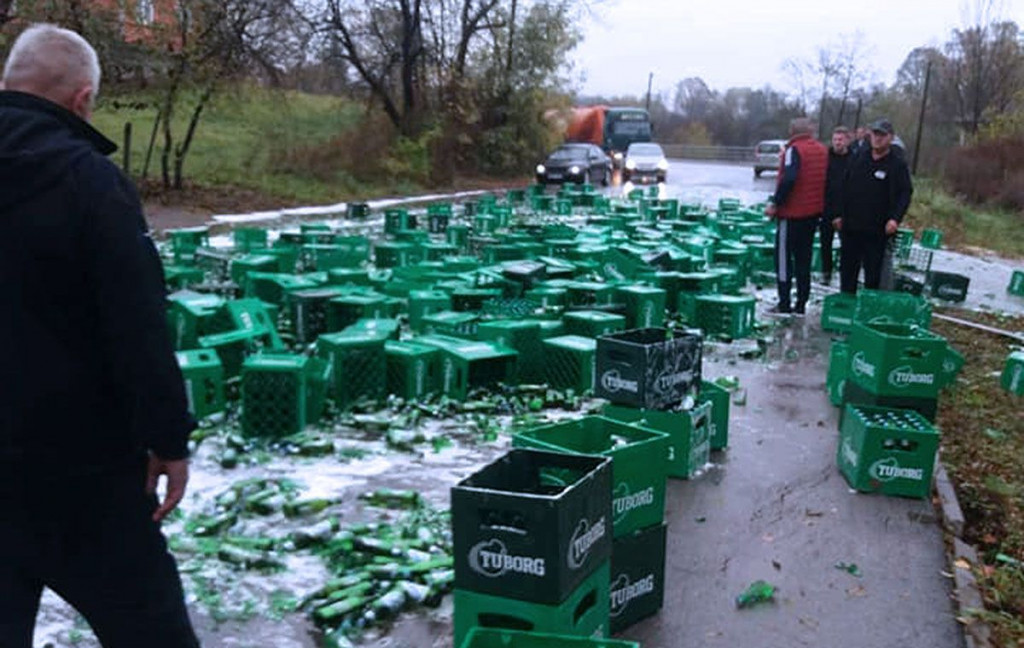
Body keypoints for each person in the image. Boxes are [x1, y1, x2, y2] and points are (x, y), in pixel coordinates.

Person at [0, 24, 200, 647]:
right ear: (83, 99)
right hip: (79, 475)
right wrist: (168, 439)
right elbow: (137, 324)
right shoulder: (90, 184)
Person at [834, 118, 914, 294]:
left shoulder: (897, 164)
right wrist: (839, 214)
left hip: (877, 230)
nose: (877, 138)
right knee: (848, 271)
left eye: (882, 135)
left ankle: (869, 308)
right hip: (851, 227)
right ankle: (847, 305)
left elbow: (905, 193)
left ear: (890, 138)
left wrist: (895, 219)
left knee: (873, 275)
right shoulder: (858, 158)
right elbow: (843, 187)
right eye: (874, 134)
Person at [765, 117, 828, 315]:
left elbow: (789, 177)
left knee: (783, 259)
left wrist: (776, 202)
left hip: (791, 213)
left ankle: (784, 303)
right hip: (812, 214)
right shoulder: (821, 150)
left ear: (792, 131)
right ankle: (801, 303)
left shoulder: (794, 150)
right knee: (804, 259)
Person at [822, 126, 854, 285]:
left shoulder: (854, 158)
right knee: (825, 243)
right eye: (835, 140)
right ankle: (826, 272)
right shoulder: (825, 156)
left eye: (840, 140)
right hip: (826, 206)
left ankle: (845, 273)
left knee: (847, 245)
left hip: (845, 209)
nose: (837, 143)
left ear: (848, 140)